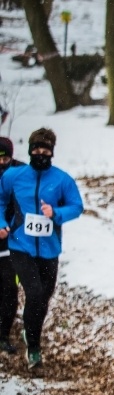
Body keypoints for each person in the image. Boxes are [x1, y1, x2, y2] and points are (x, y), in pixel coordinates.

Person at [0, 128, 84, 369]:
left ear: (52, 152)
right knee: (34, 292)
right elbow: (1, 199)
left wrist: (56, 213)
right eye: (36, 149)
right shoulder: (14, 176)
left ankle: (31, 330)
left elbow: (76, 206)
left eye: (45, 150)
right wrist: (2, 224)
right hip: (20, 245)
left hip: (49, 249)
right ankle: (34, 349)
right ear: (29, 150)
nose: (41, 153)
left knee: (43, 299)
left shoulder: (61, 179)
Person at [0, 137, 23, 355]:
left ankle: (3, 335)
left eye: (5, 158)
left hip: (11, 243)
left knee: (9, 289)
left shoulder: (21, 172)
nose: (1, 163)